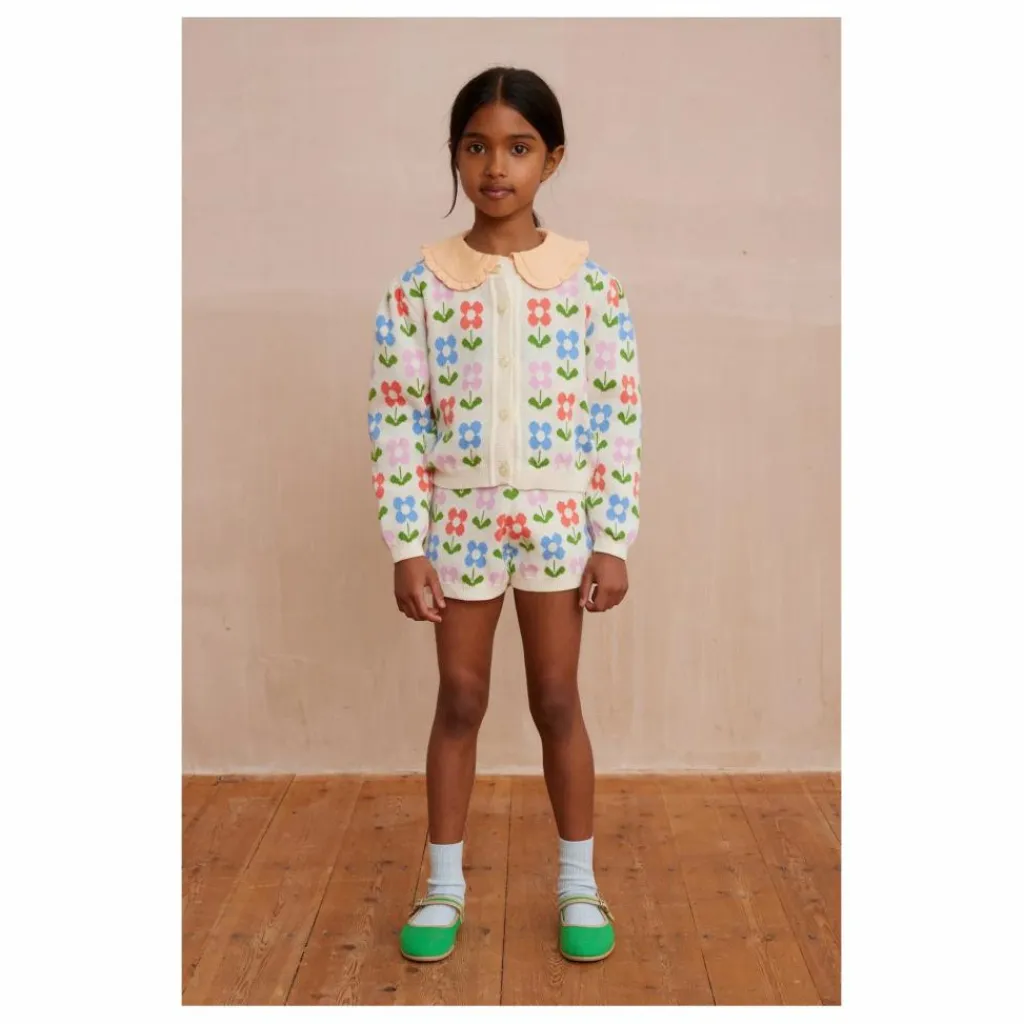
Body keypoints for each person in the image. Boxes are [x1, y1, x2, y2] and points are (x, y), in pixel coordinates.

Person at [367, 66, 642, 965]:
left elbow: (617, 415)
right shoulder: (419, 288)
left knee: (557, 697)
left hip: (559, 523)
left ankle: (579, 882)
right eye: (477, 146)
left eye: (518, 148)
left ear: (551, 159)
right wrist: (407, 544)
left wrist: (612, 538)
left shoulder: (591, 287)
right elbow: (397, 418)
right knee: (461, 696)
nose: (496, 167)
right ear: (455, 155)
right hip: (459, 524)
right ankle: (444, 885)